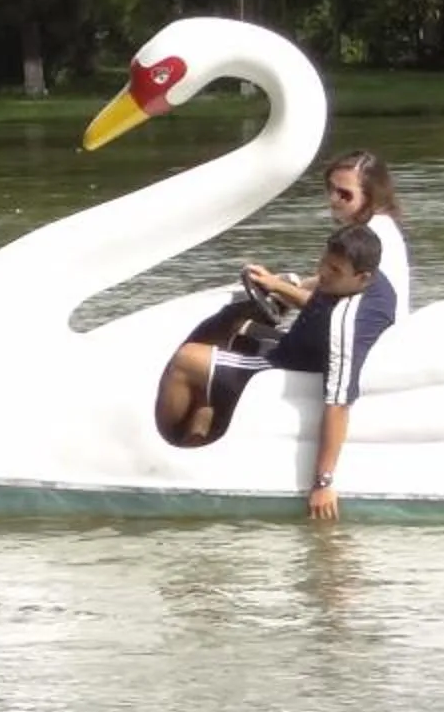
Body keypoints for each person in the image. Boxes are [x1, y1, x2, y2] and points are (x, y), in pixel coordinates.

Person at [156, 224, 399, 513]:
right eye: (324, 262)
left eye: (334, 271)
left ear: (362, 277)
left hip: (283, 370)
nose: (323, 273)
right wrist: (277, 285)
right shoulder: (366, 281)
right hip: (294, 347)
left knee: (186, 360)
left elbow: (338, 404)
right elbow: (319, 303)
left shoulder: (346, 327)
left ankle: (161, 446)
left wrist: (323, 482)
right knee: (235, 328)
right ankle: (202, 432)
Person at [246, 151, 411, 323]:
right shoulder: (381, 226)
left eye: (344, 194)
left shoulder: (369, 238)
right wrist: (291, 285)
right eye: (331, 189)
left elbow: (328, 309)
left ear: (370, 196)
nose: (333, 199)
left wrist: (276, 286)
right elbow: (330, 281)